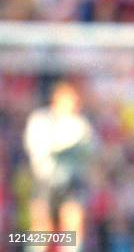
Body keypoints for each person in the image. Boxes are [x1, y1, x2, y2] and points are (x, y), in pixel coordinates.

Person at [23, 81, 94, 252]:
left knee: (73, 225)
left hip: (70, 183)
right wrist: (66, 143)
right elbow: (37, 147)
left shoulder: (80, 123)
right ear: (58, 99)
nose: (74, 104)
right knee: (41, 229)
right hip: (45, 181)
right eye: (71, 99)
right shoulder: (40, 119)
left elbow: (90, 150)